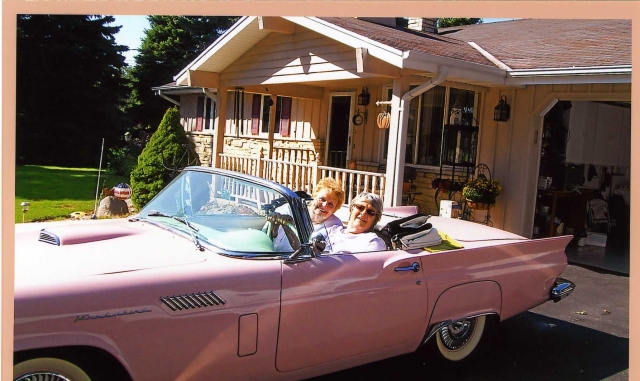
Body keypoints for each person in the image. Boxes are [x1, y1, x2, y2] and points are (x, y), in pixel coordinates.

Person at [272, 177, 346, 252]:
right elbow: (271, 236)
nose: (324, 205)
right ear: (314, 196)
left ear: (334, 210)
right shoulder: (292, 208)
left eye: (331, 204)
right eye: (322, 199)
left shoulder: (335, 226)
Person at [321, 192, 386, 254]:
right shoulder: (332, 230)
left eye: (370, 212)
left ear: (376, 219)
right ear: (351, 208)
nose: (363, 213)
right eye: (360, 207)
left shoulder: (373, 242)